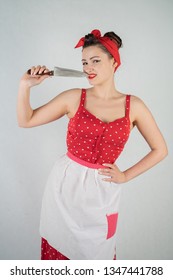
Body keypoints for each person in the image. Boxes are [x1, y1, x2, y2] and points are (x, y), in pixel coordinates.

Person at [17, 29, 168, 260]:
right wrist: (25, 85)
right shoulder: (74, 97)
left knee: (98, 255)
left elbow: (160, 150)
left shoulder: (134, 105)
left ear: (114, 63)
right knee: (60, 252)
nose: (88, 68)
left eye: (96, 61)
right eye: (85, 62)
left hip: (102, 193)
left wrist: (125, 176)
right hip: (65, 188)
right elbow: (26, 120)